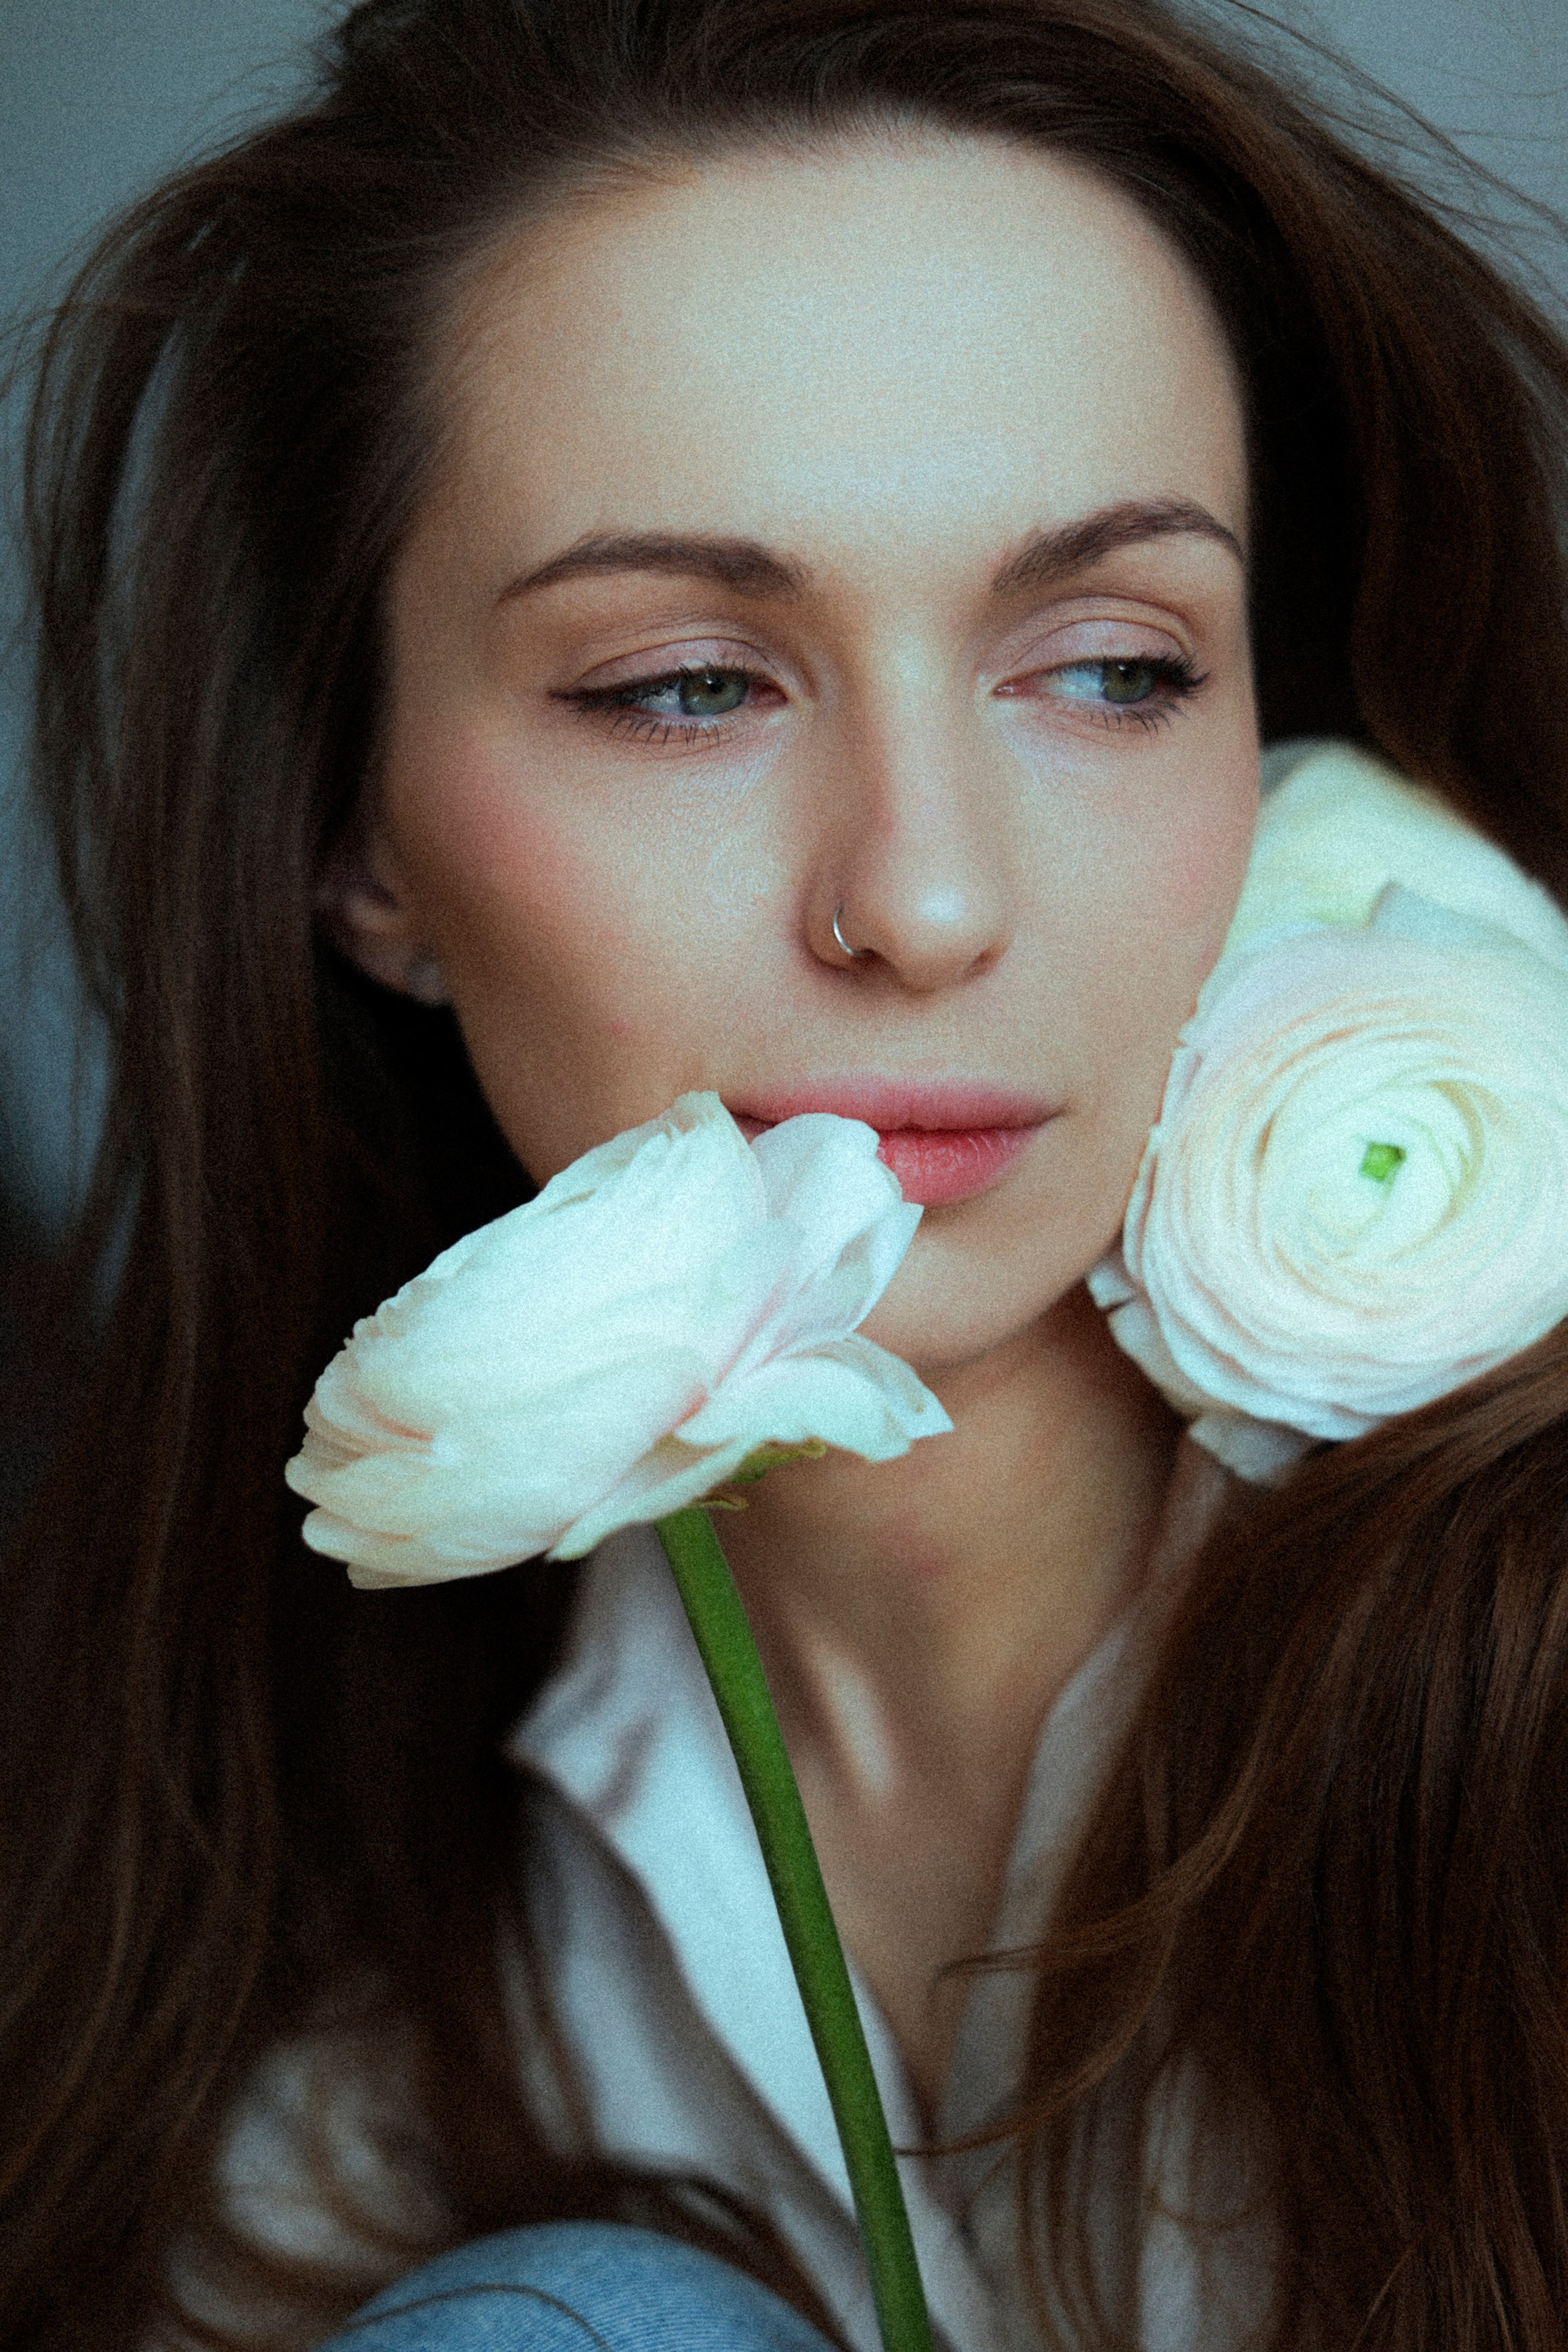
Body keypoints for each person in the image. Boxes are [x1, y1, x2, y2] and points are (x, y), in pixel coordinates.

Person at [4, 1, 1567, 2346]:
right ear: (356, 837)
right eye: (685, 687)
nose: (923, 904)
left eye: (1115, 668)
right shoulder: (305, 1894)